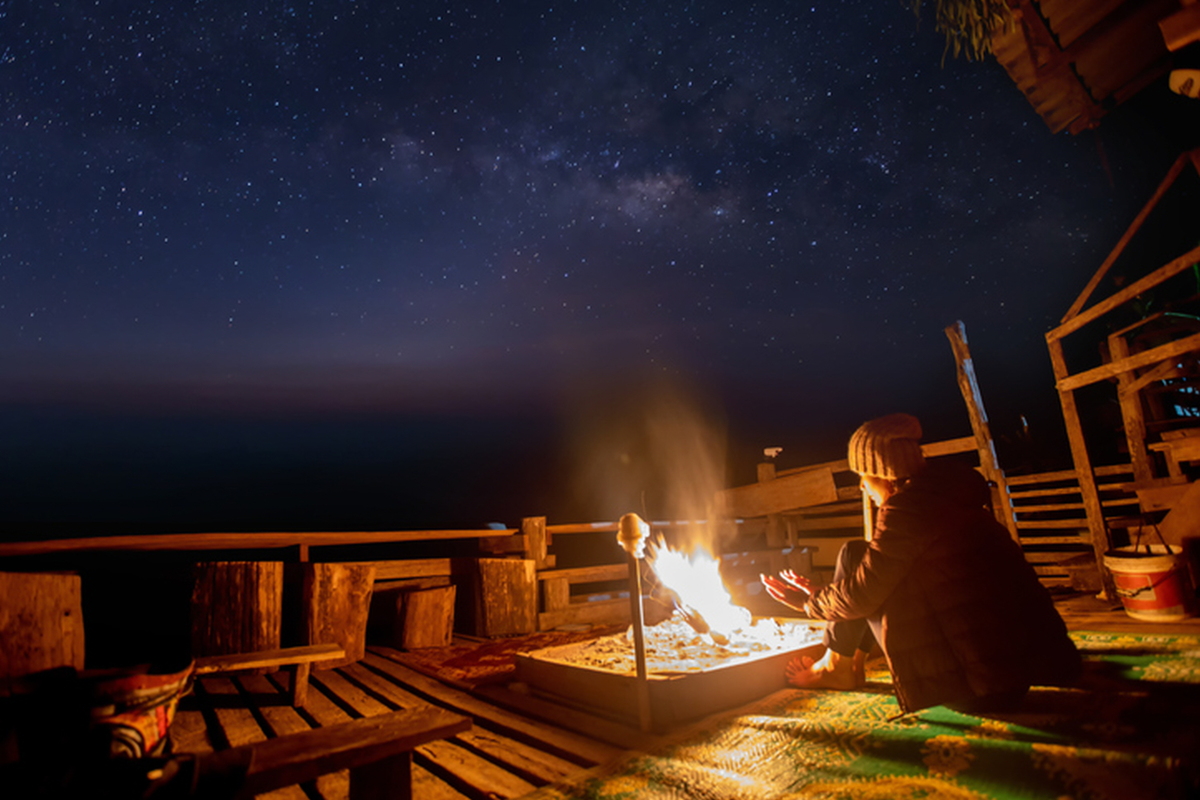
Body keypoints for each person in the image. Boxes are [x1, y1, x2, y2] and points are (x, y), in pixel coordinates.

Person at [761, 413, 1081, 714]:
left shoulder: (908, 514)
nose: (862, 486)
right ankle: (845, 665)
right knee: (861, 557)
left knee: (855, 557)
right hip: (1013, 678)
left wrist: (808, 603)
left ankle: (836, 667)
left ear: (882, 474)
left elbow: (862, 595)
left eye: (863, 476)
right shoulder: (948, 498)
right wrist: (825, 594)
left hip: (971, 688)